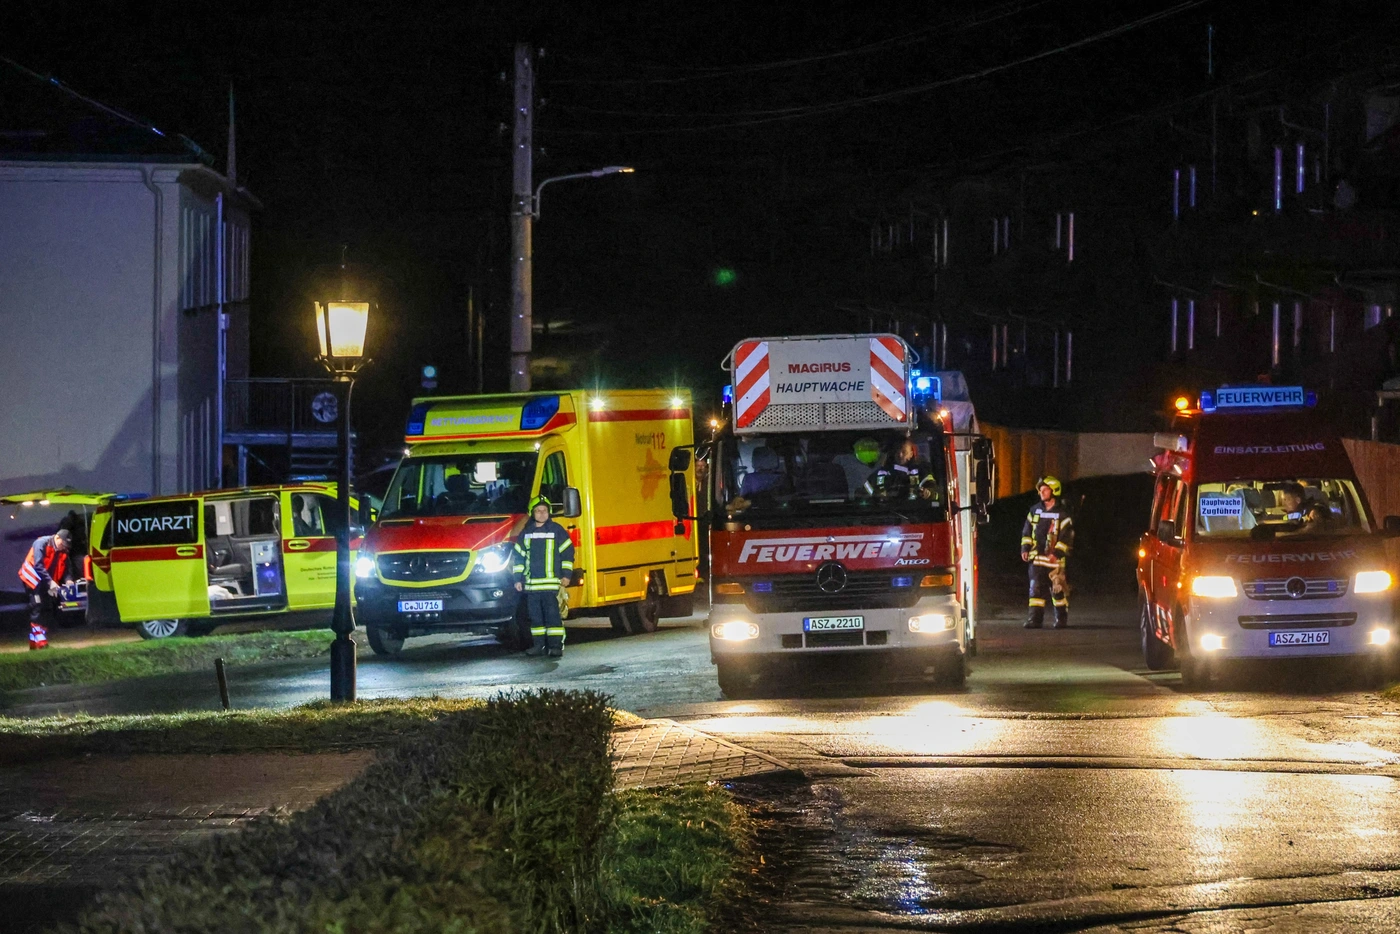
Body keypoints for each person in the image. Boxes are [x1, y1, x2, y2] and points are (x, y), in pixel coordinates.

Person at [512, 495, 575, 657]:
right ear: (532, 513)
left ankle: (555, 646)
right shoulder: (526, 533)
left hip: (551, 585)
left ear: (549, 512)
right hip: (532, 586)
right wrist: (517, 579)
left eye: (545, 510)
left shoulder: (557, 531)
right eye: (538, 511)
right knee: (535, 618)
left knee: (553, 617)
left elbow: (567, 553)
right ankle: (538, 645)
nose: (541, 513)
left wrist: (566, 575)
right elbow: (518, 558)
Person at [1021, 476, 1074, 629]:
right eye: (1040, 490)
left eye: (1045, 490)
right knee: (1035, 590)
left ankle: (1061, 619)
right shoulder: (1034, 511)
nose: (1041, 493)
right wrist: (1025, 549)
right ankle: (1035, 620)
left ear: (1054, 491)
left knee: (1058, 591)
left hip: (1055, 562)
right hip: (1037, 559)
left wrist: (1056, 553)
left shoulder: (1062, 514)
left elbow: (1067, 537)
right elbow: (1027, 531)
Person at [18, 528, 73, 650]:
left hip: (47, 581)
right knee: (37, 605)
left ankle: (34, 639)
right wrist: (50, 582)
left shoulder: (63, 550)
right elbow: (38, 565)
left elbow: (66, 568)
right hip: (32, 578)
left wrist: (68, 581)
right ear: (57, 538)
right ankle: (41, 640)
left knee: (48, 606)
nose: (63, 547)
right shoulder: (41, 543)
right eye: (63, 543)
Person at [864, 438, 938, 500]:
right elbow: (865, 491)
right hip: (884, 510)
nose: (900, 455)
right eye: (897, 451)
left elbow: (935, 492)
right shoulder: (882, 472)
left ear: (911, 454)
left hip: (915, 510)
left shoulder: (921, 472)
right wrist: (876, 495)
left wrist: (928, 493)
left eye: (904, 452)